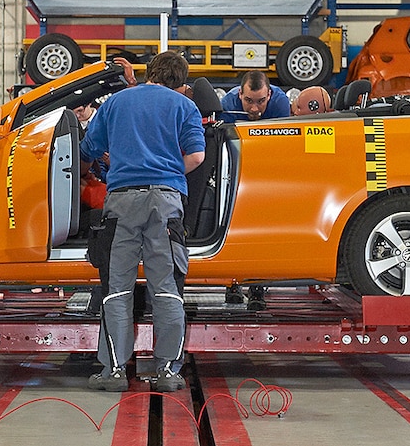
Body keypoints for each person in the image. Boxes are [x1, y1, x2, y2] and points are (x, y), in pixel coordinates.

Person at [80, 51, 205, 393]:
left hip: (121, 203)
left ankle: (115, 372)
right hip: (165, 205)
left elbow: (88, 150)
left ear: (149, 72)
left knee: (117, 289)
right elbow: (196, 156)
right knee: (166, 289)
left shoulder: (116, 103)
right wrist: (165, 174)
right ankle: (166, 372)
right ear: (181, 82)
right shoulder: (184, 107)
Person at [221, 70, 291, 122]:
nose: (254, 109)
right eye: (249, 101)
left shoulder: (280, 103)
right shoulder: (228, 105)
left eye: (261, 101)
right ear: (240, 94)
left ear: (269, 95)